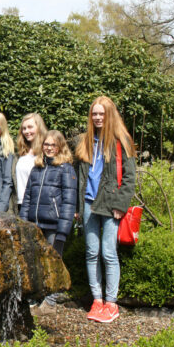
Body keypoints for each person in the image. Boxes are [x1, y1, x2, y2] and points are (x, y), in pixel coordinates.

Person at [75, 96, 136, 323]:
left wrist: (121, 205)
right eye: (94, 114)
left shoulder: (121, 142)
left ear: (110, 115)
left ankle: (111, 303)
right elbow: (80, 178)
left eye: (102, 114)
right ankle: (97, 300)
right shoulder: (86, 141)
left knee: (108, 253)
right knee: (92, 252)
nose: (98, 117)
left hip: (110, 205)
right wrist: (78, 207)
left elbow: (129, 179)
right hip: (89, 203)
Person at [19, 130, 77, 316]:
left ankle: (50, 301)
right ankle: (36, 298)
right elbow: (28, 196)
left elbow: (69, 201)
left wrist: (63, 230)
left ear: (60, 147)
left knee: (53, 261)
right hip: (35, 223)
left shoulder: (65, 169)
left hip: (54, 224)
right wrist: (23, 221)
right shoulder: (38, 167)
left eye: (53, 145)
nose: (49, 148)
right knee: (36, 262)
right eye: (46, 145)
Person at [15, 113, 47, 211]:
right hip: (20, 204)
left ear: (39, 128)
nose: (26, 131)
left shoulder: (45, 152)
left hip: (38, 204)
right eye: (24, 128)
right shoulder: (20, 153)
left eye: (30, 127)